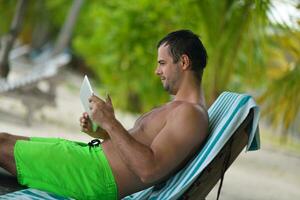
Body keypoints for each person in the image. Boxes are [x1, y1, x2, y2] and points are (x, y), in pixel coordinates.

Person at [0, 29, 209, 200]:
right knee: (4, 140)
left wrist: (110, 123)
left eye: (162, 63)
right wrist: (102, 131)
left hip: (92, 176)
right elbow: (136, 151)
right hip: (88, 163)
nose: (157, 71)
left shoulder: (190, 115)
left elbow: (149, 170)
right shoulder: (180, 109)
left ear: (183, 62)